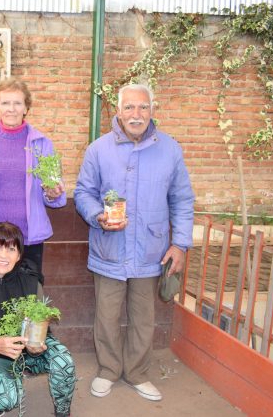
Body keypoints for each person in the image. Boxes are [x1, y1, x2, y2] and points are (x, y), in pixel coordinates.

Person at [74, 83, 194, 402]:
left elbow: (182, 199)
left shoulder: (170, 149)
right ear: (118, 111)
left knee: (143, 317)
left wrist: (180, 244)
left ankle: (137, 373)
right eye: (129, 107)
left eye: (142, 107)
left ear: (153, 111)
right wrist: (98, 215)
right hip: (109, 249)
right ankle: (108, 371)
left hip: (151, 251)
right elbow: (83, 193)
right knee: (107, 314)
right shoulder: (98, 149)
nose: (136, 114)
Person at [0, 222, 75, 417]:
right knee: (6, 400)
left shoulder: (30, 279)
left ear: (19, 255)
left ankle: (63, 412)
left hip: (28, 350)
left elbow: (40, 325)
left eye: (11, 249)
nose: (3, 255)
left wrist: (36, 343)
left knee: (63, 361)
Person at [0, 78, 65, 281]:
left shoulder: (42, 144)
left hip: (28, 237)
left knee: (28, 298)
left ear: (26, 107)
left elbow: (56, 196)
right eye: (5, 103)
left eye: (17, 103)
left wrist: (52, 193)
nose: (11, 109)